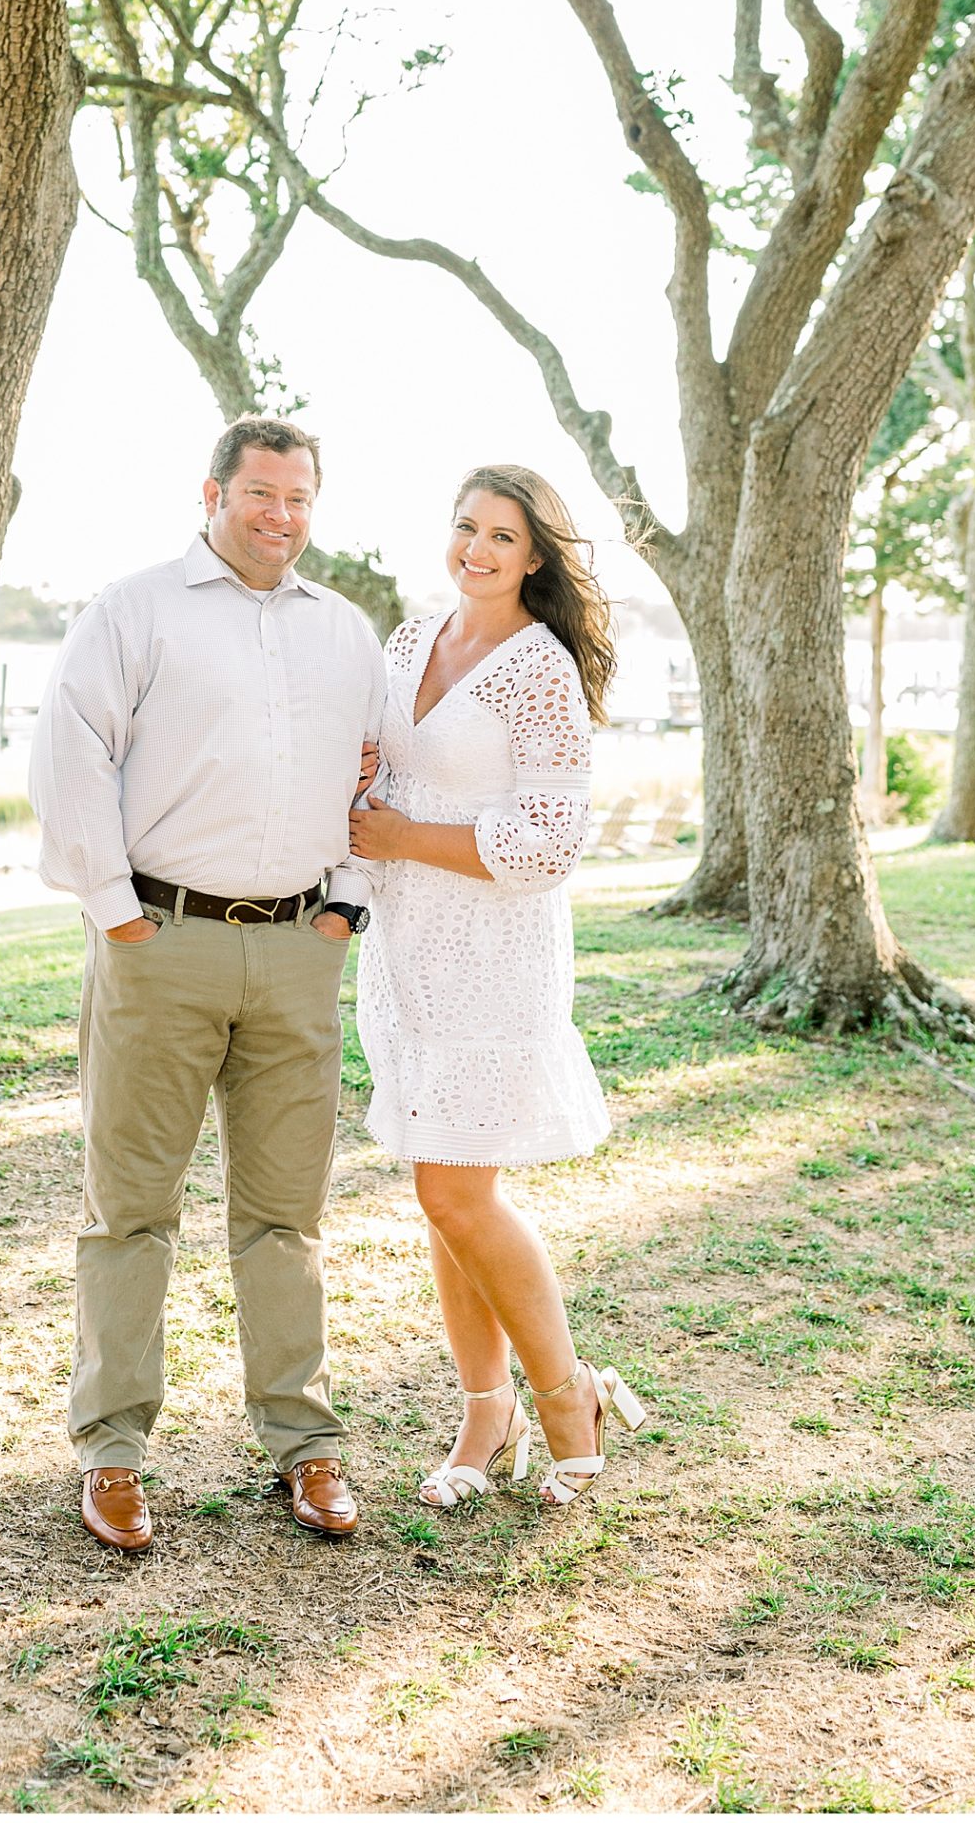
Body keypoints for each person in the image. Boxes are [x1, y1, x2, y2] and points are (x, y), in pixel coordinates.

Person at [29, 416, 385, 1553]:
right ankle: (115, 1451)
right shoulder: (134, 610)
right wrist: (115, 914)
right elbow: (70, 750)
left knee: (287, 1215)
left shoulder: (345, 632)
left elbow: (381, 773)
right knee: (131, 1209)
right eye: (261, 495)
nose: (281, 517)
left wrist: (346, 903)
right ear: (214, 492)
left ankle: (304, 1442)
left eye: (300, 499)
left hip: (298, 950)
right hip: (160, 941)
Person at [349, 464, 644, 1510]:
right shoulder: (406, 640)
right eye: (465, 527)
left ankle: (568, 1399)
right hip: (404, 955)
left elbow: (549, 841)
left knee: (454, 1191)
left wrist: (402, 834)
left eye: (501, 537)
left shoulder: (540, 671)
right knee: (446, 1201)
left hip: (494, 954)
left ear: (535, 558)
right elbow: (374, 771)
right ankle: (487, 1409)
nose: (475, 549)